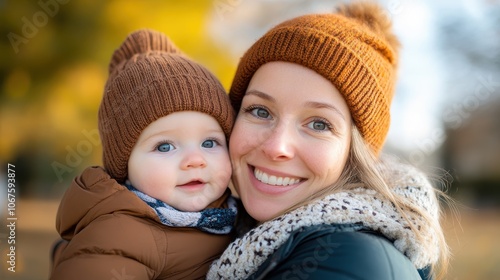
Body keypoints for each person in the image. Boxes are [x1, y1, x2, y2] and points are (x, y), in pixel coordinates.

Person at [208, 2, 450, 280]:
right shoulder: (224, 233)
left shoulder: (347, 259)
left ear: (356, 153)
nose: (276, 147)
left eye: (319, 124)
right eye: (260, 111)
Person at [50, 29, 237, 280]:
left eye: (210, 142)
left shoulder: (232, 215)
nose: (195, 160)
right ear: (125, 166)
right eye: (164, 147)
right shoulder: (122, 234)